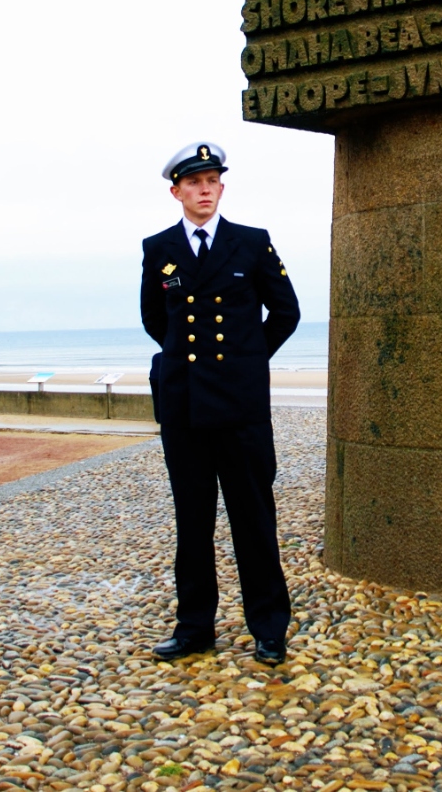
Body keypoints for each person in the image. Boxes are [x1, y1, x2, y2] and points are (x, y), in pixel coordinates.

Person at [141, 141, 300, 665]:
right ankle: (194, 628)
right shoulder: (158, 248)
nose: (204, 189)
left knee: (253, 519)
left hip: (240, 408)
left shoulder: (251, 243)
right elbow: (154, 322)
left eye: (212, 181)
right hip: (184, 409)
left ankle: (269, 628)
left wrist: (244, 360)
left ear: (221, 188)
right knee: (193, 522)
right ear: (176, 192)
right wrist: (192, 367)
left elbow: (285, 313)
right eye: (194, 182)